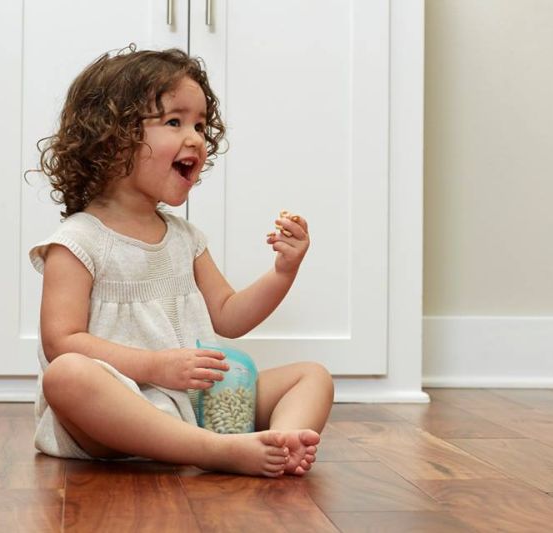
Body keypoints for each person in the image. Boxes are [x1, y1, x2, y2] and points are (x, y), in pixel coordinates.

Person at [28, 45, 334, 477]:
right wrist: (156, 367)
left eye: (200, 125)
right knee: (68, 376)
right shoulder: (77, 241)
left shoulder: (185, 238)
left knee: (312, 375)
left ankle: (280, 442)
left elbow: (228, 317)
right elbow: (61, 341)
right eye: (175, 122)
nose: (195, 138)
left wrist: (284, 272)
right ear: (113, 138)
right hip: (116, 412)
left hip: (193, 402)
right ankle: (213, 450)